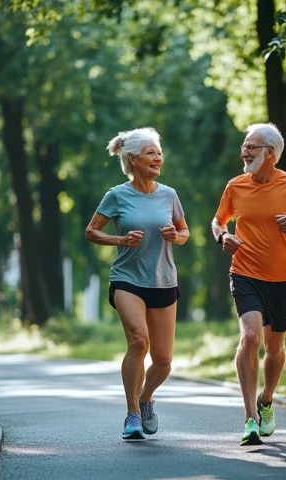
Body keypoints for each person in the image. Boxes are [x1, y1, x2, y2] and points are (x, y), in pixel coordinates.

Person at [211, 122, 286, 446]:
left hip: (281, 279)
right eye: (244, 146)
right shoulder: (236, 186)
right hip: (244, 273)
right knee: (249, 337)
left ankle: (267, 401)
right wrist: (224, 237)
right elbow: (218, 221)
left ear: (270, 154)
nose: (243, 152)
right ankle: (249, 418)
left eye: (251, 147)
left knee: (274, 350)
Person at [85, 127, 189, 440]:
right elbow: (91, 231)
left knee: (164, 361)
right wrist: (119, 239)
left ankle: (145, 400)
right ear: (132, 159)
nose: (157, 158)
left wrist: (177, 236)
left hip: (163, 280)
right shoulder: (116, 195)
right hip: (127, 279)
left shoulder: (168, 194)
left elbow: (185, 232)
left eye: (158, 153)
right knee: (138, 342)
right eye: (150, 153)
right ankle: (131, 414)